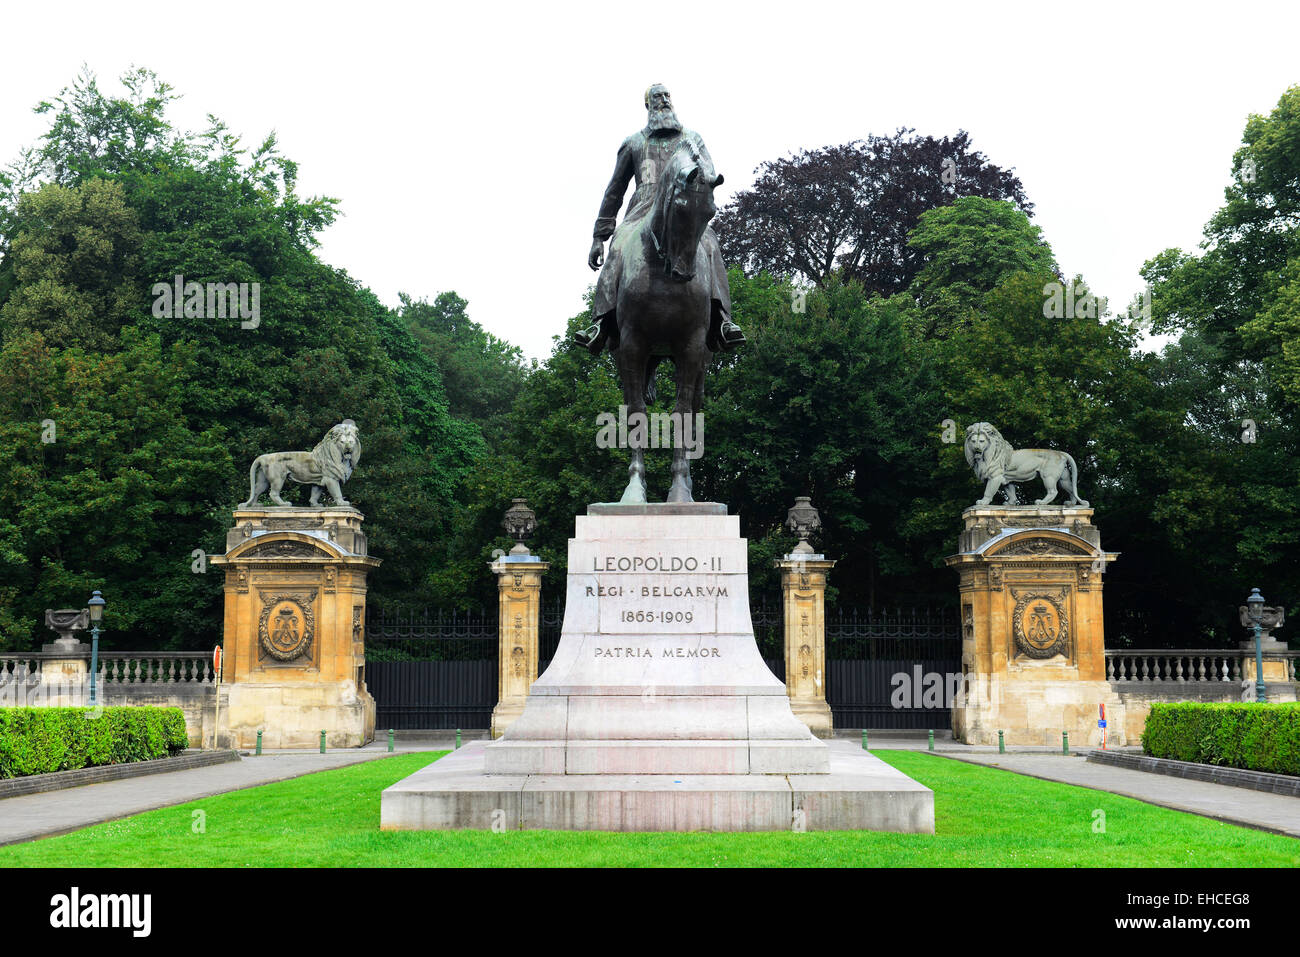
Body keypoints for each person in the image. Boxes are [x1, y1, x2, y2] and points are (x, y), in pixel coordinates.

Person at [574, 84, 745, 354]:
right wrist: (600, 235)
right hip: (642, 210)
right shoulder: (633, 143)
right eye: (657, 97)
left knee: (710, 244)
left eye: (667, 96)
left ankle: (723, 320)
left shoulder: (692, 139)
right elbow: (615, 190)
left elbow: (708, 172)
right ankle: (601, 322)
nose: (664, 101)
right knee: (619, 246)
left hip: (683, 208)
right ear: (648, 105)